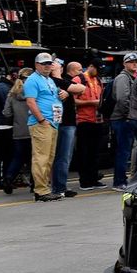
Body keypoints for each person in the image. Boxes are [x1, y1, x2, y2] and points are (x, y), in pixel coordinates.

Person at [23, 53, 67, 202]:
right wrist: (42, 120)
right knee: (41, 158)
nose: (47, 66)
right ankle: (41, 190)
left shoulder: (48, 80)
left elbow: (52, 97)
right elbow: (30, 102)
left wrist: (63, 94)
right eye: (44, 63)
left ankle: (44, 189)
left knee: (48, 158)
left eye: (49, 63)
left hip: (52, 122)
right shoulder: (32, 80)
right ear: (36, 65)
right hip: (43, 123)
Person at [50, 59, 85, 198]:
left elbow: (82, 88)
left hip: (68, 121)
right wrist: (68, 89)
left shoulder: (63, 80)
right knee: (57, 156)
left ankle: (60, 186)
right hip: (57, 122)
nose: (54, 64)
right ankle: (57, 187)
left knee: (64, 156)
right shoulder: (49, 80)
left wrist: (68, 91)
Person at [72, 59, 106, 190]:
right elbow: (73, 101)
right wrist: (92, 102)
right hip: (83, 120)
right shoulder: (78, 79)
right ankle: (84, 180)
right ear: (91, 66)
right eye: (97, 69)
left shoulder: (98, 81)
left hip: (97, 120)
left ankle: (94, 178)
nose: (98, 72)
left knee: (95, 152)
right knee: (84, 152)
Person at [109, 52, 137, 191]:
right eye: (131, 61)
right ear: (125, 63)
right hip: (122, 119)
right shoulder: (123, 78)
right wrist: (130, 115)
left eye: (136, 61)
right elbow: (122, 99)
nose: (135, 63)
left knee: (125, 150)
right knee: (123, 151)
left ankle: (122, 179)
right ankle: (119, 181)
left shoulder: (131, 77)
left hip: (126, 117)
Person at [1, 68, 33, 194]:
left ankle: (8, 178)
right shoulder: (33, 92)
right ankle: (35, 183)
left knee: (18, 158)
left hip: (18, 131)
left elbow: (6, 113)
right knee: (33, 158)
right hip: (33, 129)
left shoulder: (12, 93)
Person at [0, 67, 18, 185]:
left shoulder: (5, 86)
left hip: (8, 124)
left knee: (10, 154)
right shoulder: (3, 87)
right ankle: (3, 179)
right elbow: (7, 107)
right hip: (3, 124)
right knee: (4, 154)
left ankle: (8, 178)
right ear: (13, 75)